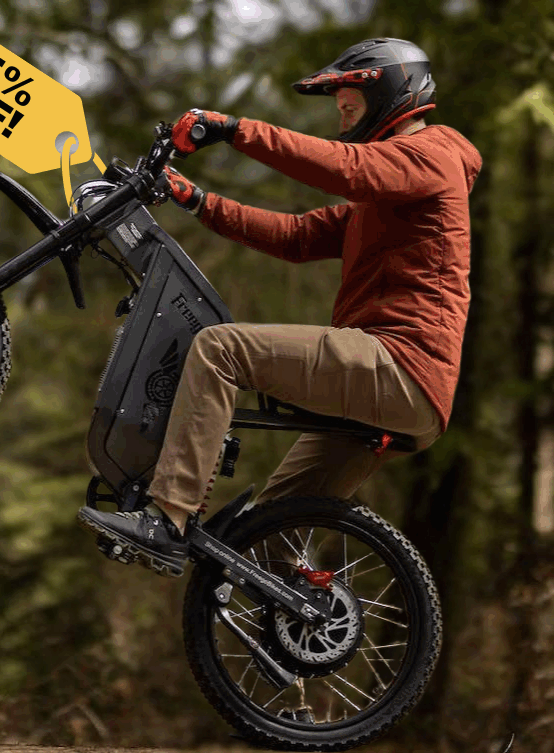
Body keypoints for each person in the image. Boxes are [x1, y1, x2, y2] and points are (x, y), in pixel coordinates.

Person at [76, 38, 482, 575]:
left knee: (221, 349)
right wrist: (195, 200)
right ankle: (300, 620)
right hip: (399, 387)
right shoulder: (388, 196)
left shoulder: (431, 156)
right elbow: (294, 236)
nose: (339, 105)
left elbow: (346, 168)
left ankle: (169, 515)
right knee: (262, 540)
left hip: (399, 366)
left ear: (389, 90)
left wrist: (232, 129)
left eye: (348, 95)